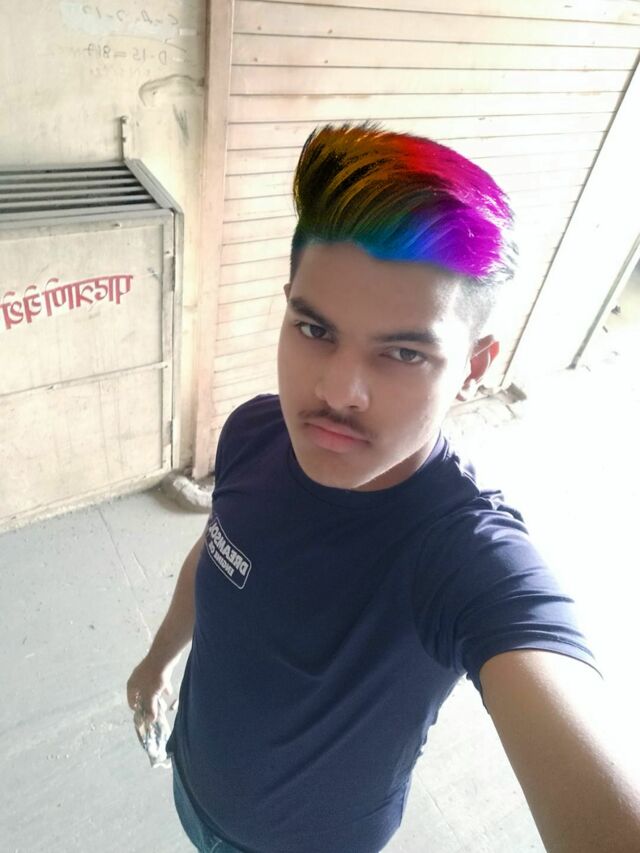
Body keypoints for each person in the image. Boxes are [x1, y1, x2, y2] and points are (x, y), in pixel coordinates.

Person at [127, 124, 640, 853]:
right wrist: (158, 660)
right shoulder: (254, 431)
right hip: (193, 781)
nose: (338, 392)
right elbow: (217, 553)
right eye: (315, 329)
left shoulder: (466, 559)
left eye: (402, 352)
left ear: (473, 367)